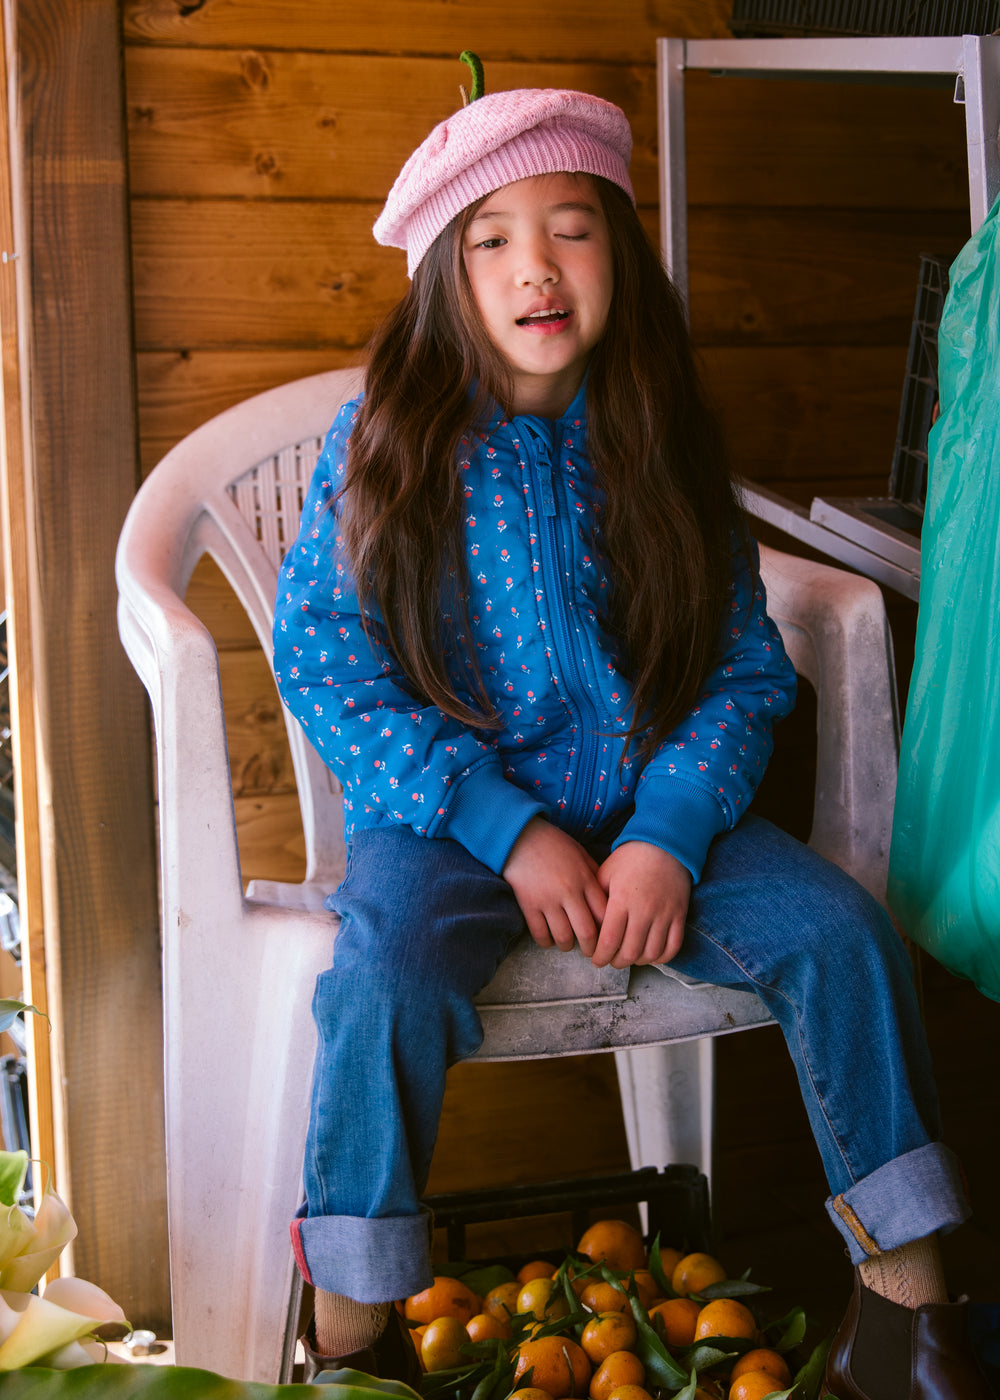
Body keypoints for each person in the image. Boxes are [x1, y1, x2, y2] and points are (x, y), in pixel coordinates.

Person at [272, 73, 990, 1400]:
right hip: (447, 824)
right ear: (444, 281)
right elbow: (326, 667)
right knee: (381, 982)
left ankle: (909, 1322)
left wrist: (668, 831)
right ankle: (352, 1346)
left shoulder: (656, 435)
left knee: (843, 937)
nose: (536, 267)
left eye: (572, 227)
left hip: (658, 809)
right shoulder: (385, 443)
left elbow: (743, 671)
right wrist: (503, 827)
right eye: (491, 240)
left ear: (619, 251)